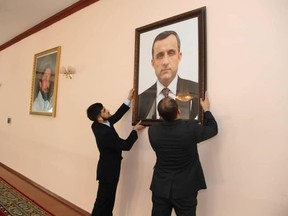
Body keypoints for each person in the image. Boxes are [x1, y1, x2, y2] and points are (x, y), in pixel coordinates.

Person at [148, 92, 218, 216]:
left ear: (160, 115)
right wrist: (206, 109)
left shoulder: (153, 130)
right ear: (178, 111)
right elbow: (213, 129)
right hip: (185, 188)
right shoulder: (190, 128)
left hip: (160, 187)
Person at [86, 89, 145, 216]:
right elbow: (126, 145)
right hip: (108, 171)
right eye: (104, 111)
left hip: (108, 168)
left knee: (108, 201)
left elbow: (115, 116)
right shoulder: (105, 133)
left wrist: (128, 99)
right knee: (103, 202)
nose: (107, 110)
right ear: (99, 118)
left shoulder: (97, 125)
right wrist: (135, 130)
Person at [138, 30, 199, 120]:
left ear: (179, 56)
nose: (165, 62)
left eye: (171, 53)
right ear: (152, 63)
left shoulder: (196, 90)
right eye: (159, 55)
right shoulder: (141, 99)